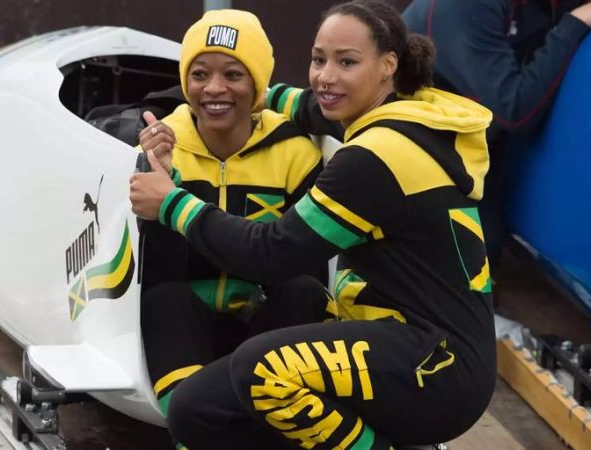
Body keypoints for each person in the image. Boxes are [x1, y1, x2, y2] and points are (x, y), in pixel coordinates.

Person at [130, 1, 495, 449]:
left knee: (262, 370)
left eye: (347, 62)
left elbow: (272, 254)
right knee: (195, 409)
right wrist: (249, 90)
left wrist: (171, 203)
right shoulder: (409, 113)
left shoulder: (374, 159)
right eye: (318, 59)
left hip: (432, 364)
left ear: (388, 65)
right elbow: (311, 107)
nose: (326, 75)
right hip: (417, 346)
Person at [271, 0, 591, 264]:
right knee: (474, 248)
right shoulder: (468, 5)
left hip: (473, 137)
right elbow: (514, 111)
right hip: (409, 126)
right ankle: (265, 96)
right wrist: (580, 20)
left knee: (486, 245)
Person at [136, 9, 333, 430]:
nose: (214, 89)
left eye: (233, 75)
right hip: (187, 326)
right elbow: (155, 273)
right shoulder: (160, 147)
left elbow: (307, 267)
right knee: (164, 299)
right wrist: (164, 177)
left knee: (304, 291)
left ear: (258, 84)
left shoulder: (296, 154)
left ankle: (279, 425)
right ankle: (194, 430)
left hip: (263, 322)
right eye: (200, 74)